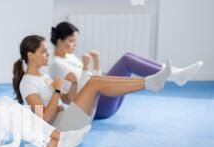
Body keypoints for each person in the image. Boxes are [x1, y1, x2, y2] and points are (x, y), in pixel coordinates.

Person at [13, 35, 172, 132]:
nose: (48, 54)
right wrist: (56, 91)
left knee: (95, 81)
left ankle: (150, 82)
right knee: (95, 82)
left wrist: (73, 85)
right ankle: (150, 83)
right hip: (61, 126)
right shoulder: (27, 83)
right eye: (43, 51)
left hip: (69, 116)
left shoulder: (44, 76)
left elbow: (69, 100)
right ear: (30, 55)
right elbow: (45, 119)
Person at [48, 21, 203, 119]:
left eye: (76, 41)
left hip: (104, 102)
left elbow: (95, 80)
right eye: (71, 41)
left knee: (128, 57)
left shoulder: (70, 57)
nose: (74, 45)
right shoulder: (56, 64)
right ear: (60, 41)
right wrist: (84, 68)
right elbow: (76, 94)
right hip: (94, 108)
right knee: (127, 60)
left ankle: (175, 73)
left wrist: (96, 63)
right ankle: (175, 76)